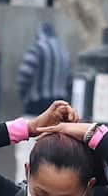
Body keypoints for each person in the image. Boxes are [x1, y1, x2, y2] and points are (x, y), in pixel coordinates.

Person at [13, 22, 71, 182]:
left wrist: (25, 95)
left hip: (35, 107)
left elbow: (24, 74)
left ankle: (23, 189)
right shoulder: (63, 51)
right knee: (49, 155)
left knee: (27, 152)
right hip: (57, 111)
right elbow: (69, 80)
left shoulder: (37, 48)